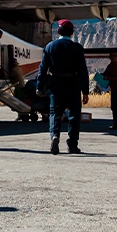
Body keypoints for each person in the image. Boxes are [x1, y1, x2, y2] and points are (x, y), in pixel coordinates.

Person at [37, 19, 89, 155]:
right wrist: (85, 91)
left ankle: (55, 135)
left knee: (55, 113)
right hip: (73, 84)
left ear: (58, 31)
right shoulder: (77, 48)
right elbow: (83, 71)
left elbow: (42, 69)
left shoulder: (50, 46)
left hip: (56, 84)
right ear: (72, 33)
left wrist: (39, 86)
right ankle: (72, 145)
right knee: (74, 115)